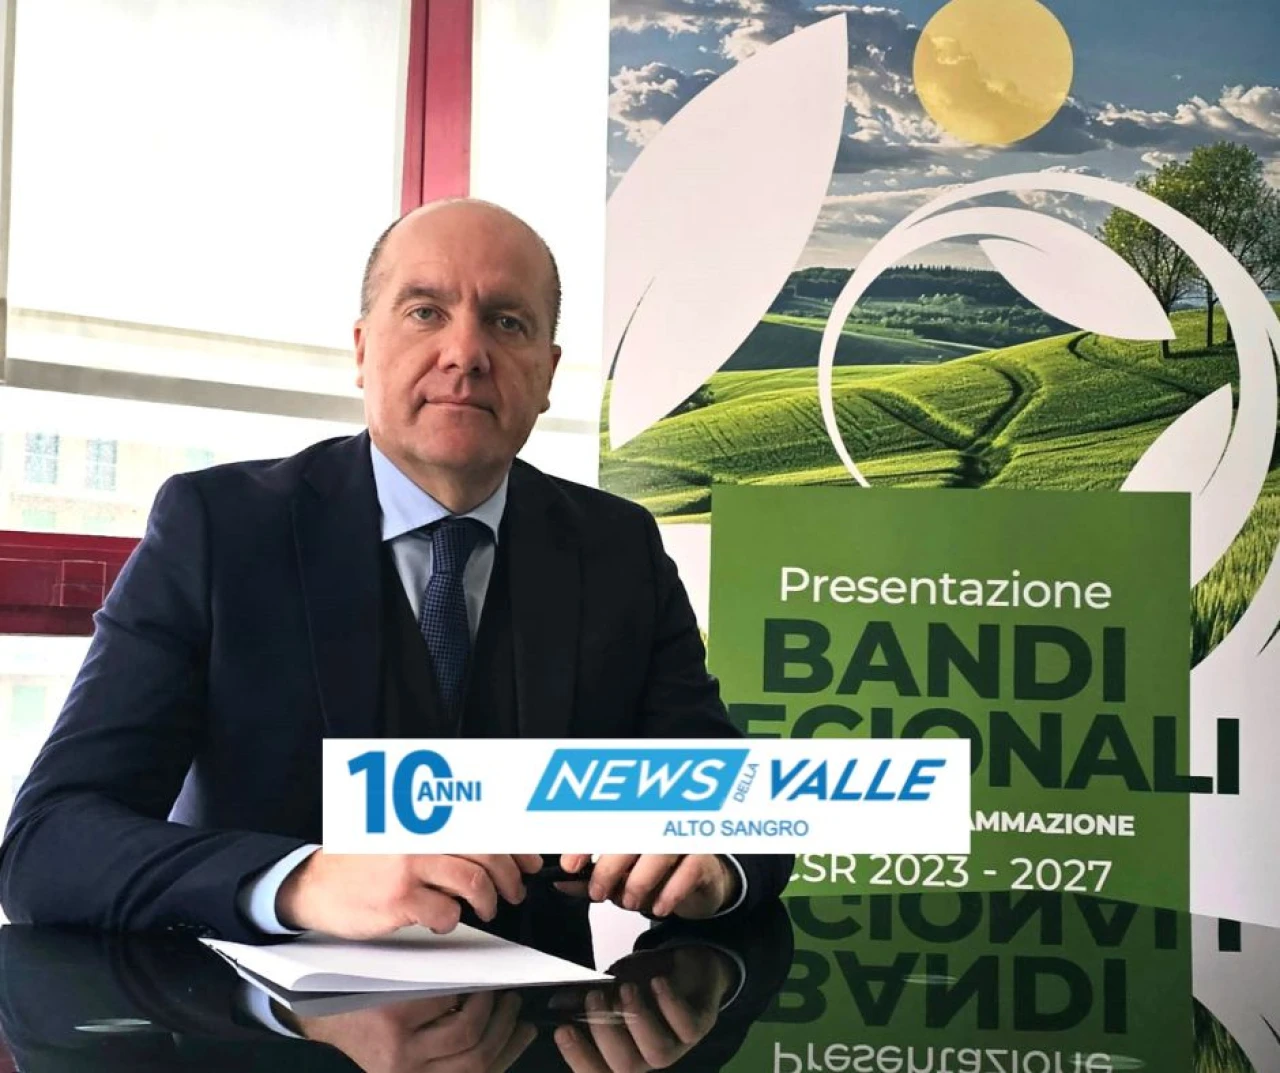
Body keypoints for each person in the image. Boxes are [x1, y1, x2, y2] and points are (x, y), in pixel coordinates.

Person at [0, 198, 791, 950]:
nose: (465, 353)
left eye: (507, 322)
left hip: (546, 1024)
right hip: (260, 1024)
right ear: (361, 349)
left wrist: (716, 861)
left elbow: (739, 809)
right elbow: (48, 841)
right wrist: (301, 879)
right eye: (424, 311)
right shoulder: (218, 529)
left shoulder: (618, 549)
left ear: (547, 374)